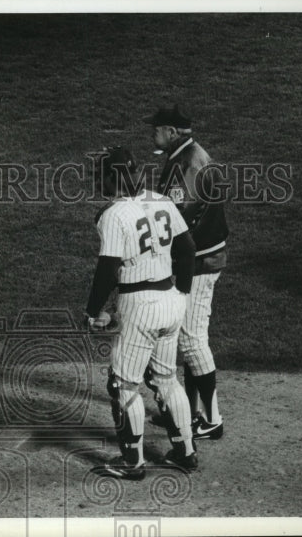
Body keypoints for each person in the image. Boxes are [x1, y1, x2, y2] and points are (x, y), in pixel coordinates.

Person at [85, 146, 198, 479]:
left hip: (139, 305)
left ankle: (132, 463)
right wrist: (182, 293)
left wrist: (92, 311)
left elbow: (108, 270)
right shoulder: (162, 200)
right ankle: (185, 453)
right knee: (166, 379)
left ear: (113, 177)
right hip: (171, 299)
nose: (98, 181)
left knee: (123, 385)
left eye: (101, 175)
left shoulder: (113, 214)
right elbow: (188, 250)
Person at [144, 105, 225, 440]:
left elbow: (180, 217)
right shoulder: (185, 155)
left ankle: (212, 419)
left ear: (172, 132)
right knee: (188, 340)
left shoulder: (189, 162)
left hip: (201, 262)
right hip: (199, 258)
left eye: (157, 129)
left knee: (192, 340)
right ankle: (190, 413)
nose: (153, 134)